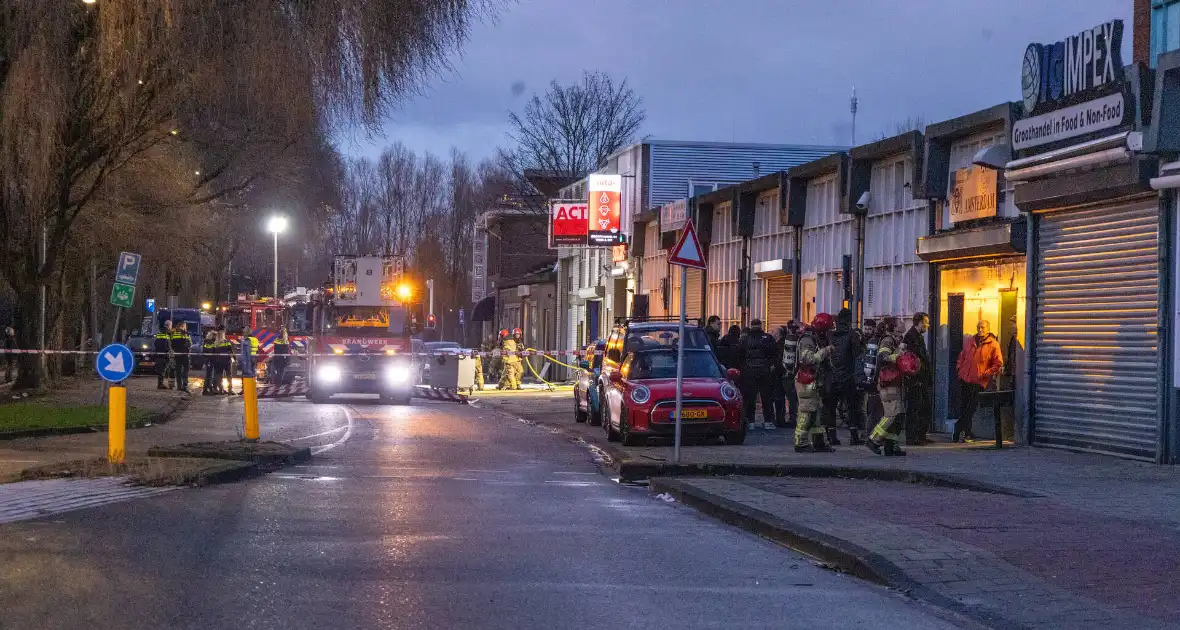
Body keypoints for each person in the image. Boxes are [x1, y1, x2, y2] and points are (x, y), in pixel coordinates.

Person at [954, 320, 1004, 443]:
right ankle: (966, 432)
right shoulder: (970, 340)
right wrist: (959, 369)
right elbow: (962, 356)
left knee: (971, 407)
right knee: (964, 407)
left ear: (988, 329)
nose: (980, 330)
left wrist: (985, 374)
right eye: (978, 327)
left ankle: (959, 430)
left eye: (982, 327)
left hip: (978, 381)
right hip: (965, 379)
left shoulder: (993, 344)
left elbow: (998, 363)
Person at [867, 317, 907, 456]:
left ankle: (891, 445)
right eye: (900, 322)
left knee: (898, 415)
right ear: (894, 327)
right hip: (888, 383)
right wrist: (898, 355)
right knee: (891, 414)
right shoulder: (888, 340)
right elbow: (882, 357)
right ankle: (874, 439)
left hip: (895, 383)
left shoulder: (898, 340)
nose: (903, 323)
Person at [795, 313, 835, 453]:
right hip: (806, 381)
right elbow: (809, 359)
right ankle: (800, 442)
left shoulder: (816, 338)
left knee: (816, 414)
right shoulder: (808, 340)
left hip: (814, 381)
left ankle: (819, 442)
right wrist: (826, 351)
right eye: (828, 329)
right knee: (806, 412)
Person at [736, 319, 778, 430]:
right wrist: (770, 365)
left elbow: (740, 355)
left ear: (751, 325)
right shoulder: (768, 338)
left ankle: (750, 421)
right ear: (761, 325)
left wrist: (744, 368)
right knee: (766, 397)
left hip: (749, 372)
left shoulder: (745, 339)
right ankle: (768, 421)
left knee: (750, 398)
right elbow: (775, 353)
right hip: (765, 371)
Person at [903, 312, 932, 445]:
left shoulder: (917, 336)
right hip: (916, 380)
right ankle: (913, 437)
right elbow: (912, 360)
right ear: (919, 323)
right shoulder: (911, 337)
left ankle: (920, 435)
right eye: (926, 322)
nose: (928, 325)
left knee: (922, 407)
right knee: (915, 408)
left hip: (920, 379)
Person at [778, 321, 801, 429]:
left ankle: (781, 419)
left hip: (783, 373)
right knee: (792, 398)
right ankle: (793, 419)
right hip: (794, 374)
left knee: (782, 397)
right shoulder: (799, 341)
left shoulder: (782, 342)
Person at [170, 321, 191, 393]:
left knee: (178, 369)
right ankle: (184, 384)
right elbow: (189, 344)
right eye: (185, 325)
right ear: (182, 326)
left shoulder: (174, 334)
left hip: (177, 354)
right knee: (186, 369)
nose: (186, 327)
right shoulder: (186, 333)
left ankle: (179, 385)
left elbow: (172, 344)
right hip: (184, 354)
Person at [154, 320, 174, 389]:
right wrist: (168, 350)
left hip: (159, 354)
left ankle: (160, 383)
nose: (171, 327)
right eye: (171, 326)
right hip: (165, 354)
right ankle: (164, 385)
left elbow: (155, 343)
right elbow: (168, 344)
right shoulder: (168, 334)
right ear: (169, 326)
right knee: (166, 370)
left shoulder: (159, 333)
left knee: (161, 370)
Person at [214, 330, 233, 395]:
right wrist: (235, 359)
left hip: (218, 361)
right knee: (229, 376)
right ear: (223, 335)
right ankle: (230, 390)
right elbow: (231, 350)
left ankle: (220, 390)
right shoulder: (227, 342)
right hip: (227, 361)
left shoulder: (215, 343)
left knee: (219, 376)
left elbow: (214, 352)